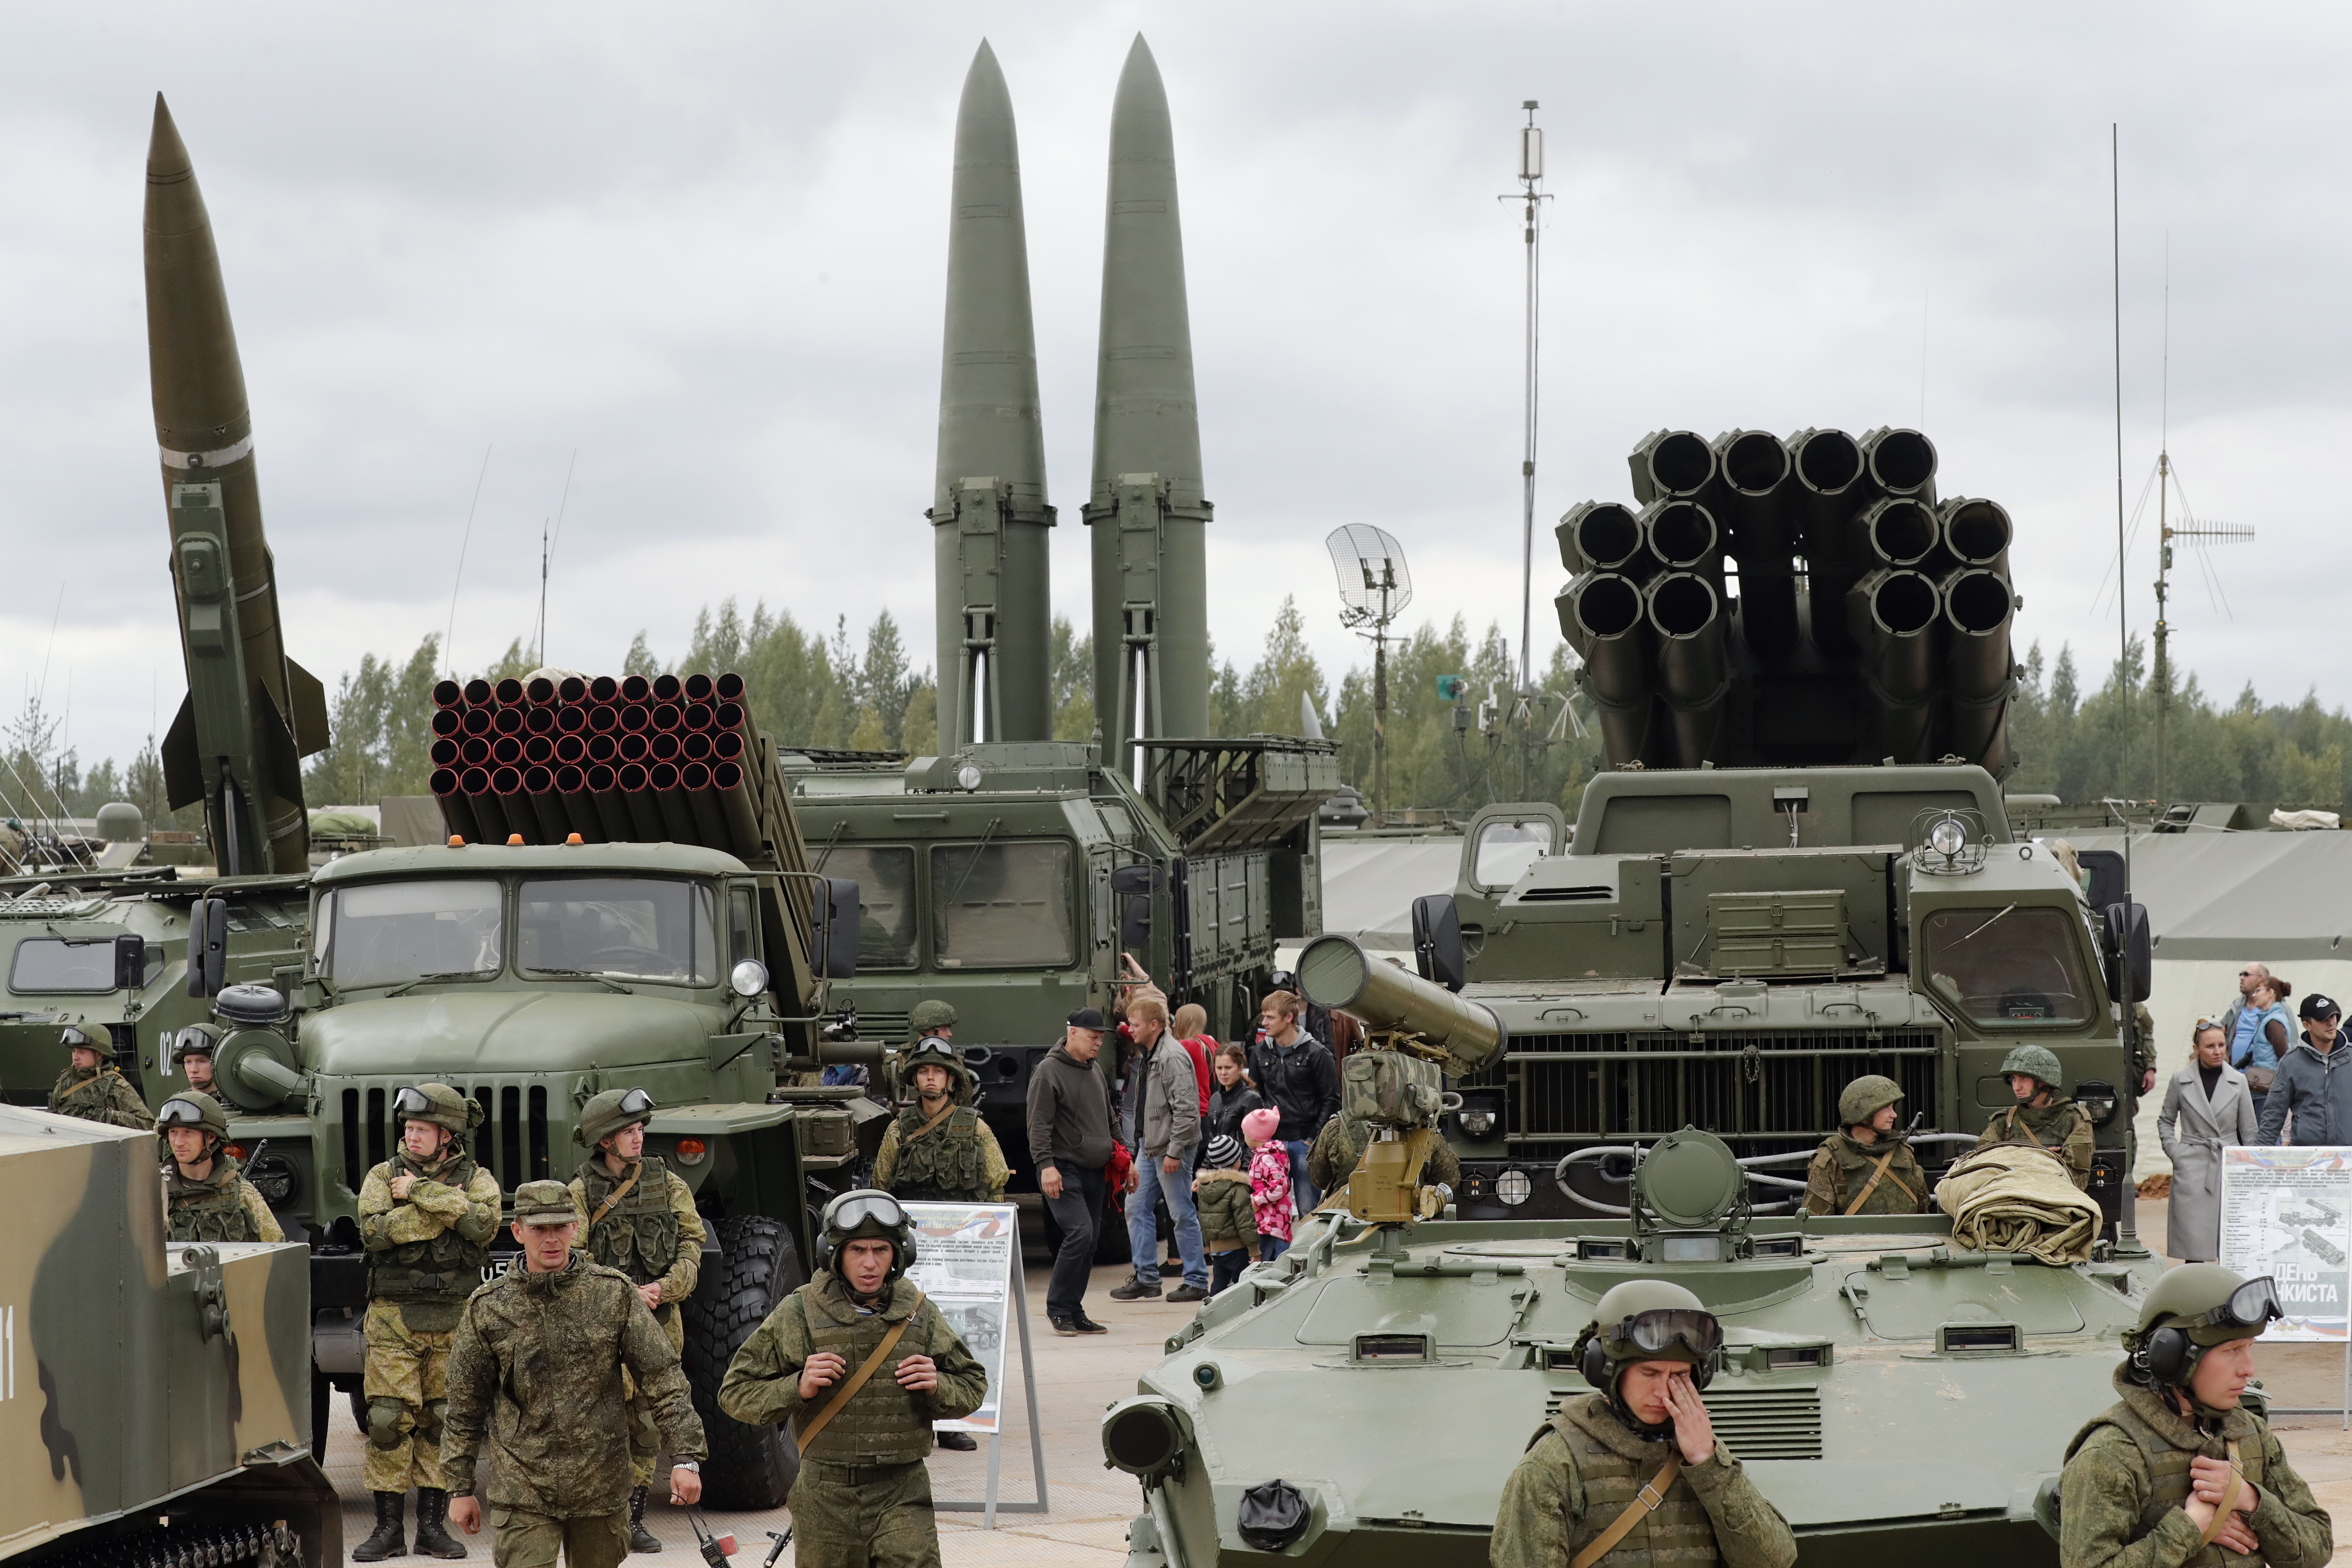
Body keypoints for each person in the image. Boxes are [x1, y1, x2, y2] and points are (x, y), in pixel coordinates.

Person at [441, 1180, 707, 1568]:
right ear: (518, 1232)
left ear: (575, 1229)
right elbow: (464, 1403)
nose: (551, 1239)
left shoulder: (612, 1294)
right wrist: (460, 1487)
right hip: (523, 1488)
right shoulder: (489, 1307)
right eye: (539, 1229)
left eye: (560, 1227)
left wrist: (686, 1459)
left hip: (600, 1486)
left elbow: (663, 1378)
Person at [717, 1190, 988, 1568]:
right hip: (825, 1496)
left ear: (900, 1255)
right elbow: (735, 1393)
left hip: (902, 1490)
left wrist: (939, 1385)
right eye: (857, 1250)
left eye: (881, 1250)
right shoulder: (799, 1313)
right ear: (835, 1255)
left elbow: (973, 1384)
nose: (870, 1263)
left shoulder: (918, 1314)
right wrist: (797, 1387)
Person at [1491, 1280, 1798, 1568]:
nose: (1664, 1392)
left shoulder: (1699, 1453)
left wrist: (1709, 1464)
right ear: (1606, 1370)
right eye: (1649, 1374)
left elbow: (1774, 1561)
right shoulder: (1554, 1464)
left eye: (1679, 1376)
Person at [2059, 1264, 2333, 1567]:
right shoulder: (2112, 1454)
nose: (2248, 1369)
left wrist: (2252, 1501)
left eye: (2249, 1348)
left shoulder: (2250, 1433)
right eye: (2232, 1351)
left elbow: (2318, 1547)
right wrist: (2189, 1529)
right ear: (2173, 1357)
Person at [354, 1083, 502, 1562]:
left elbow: (483, 1226)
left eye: (422, 1129)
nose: (412, 1137)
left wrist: (418, 1193)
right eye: (409, 1128)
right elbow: (375, 1233)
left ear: (447, 1135)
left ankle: (433, 1529)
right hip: (393, 1317)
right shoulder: (381, 1175)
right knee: (387, 1420)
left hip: (455, 1320)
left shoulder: (478, 1178)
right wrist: (446, 1209)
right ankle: (388, 1529)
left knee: (444, 1422)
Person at [564, 1087, 710, 1550]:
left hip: (660, 1318)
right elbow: (572, 1255)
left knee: (646, 1422)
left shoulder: (668, 1183)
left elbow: (692, 1244)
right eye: (628, 1131)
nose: (639, 1138)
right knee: (601, 1422)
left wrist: (666, 1288)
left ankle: (635, 1517)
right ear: (604, 1140)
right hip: (602, 1323)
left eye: (641, 1129)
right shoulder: (581, 1191)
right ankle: (602, 1514)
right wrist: (621, 1296)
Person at [1026, 1008, 1120, 1335]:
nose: (1098, 1044)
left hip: (1095, 1170)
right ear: (1073, 1033)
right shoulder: (1048, 1072)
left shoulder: (1093, 1070)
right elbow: (1038, 1126)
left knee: (1091, 1241)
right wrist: (1046, 1166)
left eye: (1101, 1038)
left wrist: (1124, 1156)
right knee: (1079, 1233)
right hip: (1064, 1169)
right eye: (1094, 1037)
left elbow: (1110, 1118)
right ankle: (1058, 1308)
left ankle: (1074, 1309)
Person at [1110, 995, 1209, 1304]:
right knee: (1136, 1207)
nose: (1130, 1030)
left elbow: (1188, 1111)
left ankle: (1196, 1280)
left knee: (1181, 1212)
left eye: (1136, 1025)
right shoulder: (1152, 1051)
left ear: (1154, 1026)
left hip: (1168, 1148)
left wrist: (1175, 1152)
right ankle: (1147, 1278)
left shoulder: (1171, 1057)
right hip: (1150, 1145)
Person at [2158, 1023, 2258, 1261]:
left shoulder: (2238, 1081)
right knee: (2193, 1243)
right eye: (2210, 1046)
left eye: (2222, 1045)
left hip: (2228, 1166)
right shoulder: (2180, 1080)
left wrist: (2249, 1169)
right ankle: (2195, 1293)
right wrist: (2176, 1153)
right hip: (2192, 1166)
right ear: (2197, 1049)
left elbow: (2250, 1131)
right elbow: (2166, 1121)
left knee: (2232, 1240)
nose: (2217, 1051)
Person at [874, 1035, 1011, 1203]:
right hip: (913, 1226)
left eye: (938, 1071)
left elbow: (996, 1185)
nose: (930, 1077)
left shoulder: (976, 1128)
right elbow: (881, 1186)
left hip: (965, 1226)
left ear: (951, 1079)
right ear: (915, 1080)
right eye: (924, 1071)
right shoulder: (898, 1129)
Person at [1247, 990, 1339, 1216]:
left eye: (1270, 1017)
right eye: (1264, 1016)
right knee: (1271, 1215)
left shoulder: (1317, 1054)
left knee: (1309, 1213)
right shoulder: (1260, 1052)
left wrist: (1311, 1139)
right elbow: (1255, 1095)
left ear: (1289, 1018)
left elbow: (1332, 1100)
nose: (1264, 1023)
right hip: (1271, 1144)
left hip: (1304, 1143)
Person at [156, 1093, 283, 1242]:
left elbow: (276, 1248)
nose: (178, 1142)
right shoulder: (155, 1193)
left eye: (188, 1133)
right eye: (173, 1133)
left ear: (211, 1137)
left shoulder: (243, 1194)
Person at [1801, 1075, 1931, 1217]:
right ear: (1864, 1113)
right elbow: (1817, 1226)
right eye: (1886, 1108)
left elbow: (1922, 1213)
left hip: (1907, 1239)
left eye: (1893, 1107)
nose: (1894, 1115)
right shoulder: (1829, 1159)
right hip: (1853, 1240)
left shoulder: (1904, 1153)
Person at [1973, 1044, 2094, 1190]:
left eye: (2023, 1079)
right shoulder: (2004, 1121)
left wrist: (2012, 1161)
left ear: (2044, 1081)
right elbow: (1981, 1168)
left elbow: (2077, 1178)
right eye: (2013, 1079)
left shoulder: (2074, 1119)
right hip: (2009, 1200)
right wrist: (2042, 1158)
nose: (2016, 1087)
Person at [1306, 1110, 1463, 1203]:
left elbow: (1319, 1180)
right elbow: (1450, 1179)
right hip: (1409, 1229)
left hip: (1346, 1227)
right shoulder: (1425, 1130)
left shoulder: (1336, 1128)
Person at [2259, 993, 2352, 1148]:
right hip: (2307, 1160)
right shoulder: (2291, 1063)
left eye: (2334, 1016)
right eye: (2323, 1019)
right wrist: (2258, 1159)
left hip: (2348, 1159)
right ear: (2306, 1025)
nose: (2331, 1023)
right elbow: (2272, 1118)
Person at [47, 1025, 154, 1129]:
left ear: (99, 1055)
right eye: (74, 1051)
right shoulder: (67, 1079)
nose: (75, 1057)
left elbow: (147, 1124)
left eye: (82, 1052)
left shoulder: (115, 1086)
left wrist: (108, 1117)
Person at [2221, 965, 2294, 1117]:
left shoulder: (2274, 1021)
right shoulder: (2250, 1012)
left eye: (2259, 991)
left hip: (2266, 1087)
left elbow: (2286, 1057)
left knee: (2266, 1134)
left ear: (2270, 993)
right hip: (2252, 1085)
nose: (2255, 996)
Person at [1193, 1134, 1258, 1295]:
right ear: (1237, 1161)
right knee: (1242, 1288)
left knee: (1218, 1288)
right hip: (1237, 1249)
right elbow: (1245, 1223)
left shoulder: (1205, 1187)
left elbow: (1205, 1220)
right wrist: (1255, 1250)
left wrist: (1210, 1244)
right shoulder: (1238, 1188)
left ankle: (1211, 1313)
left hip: (1216, 1248)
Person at [1244, 1107, 1293, 1262]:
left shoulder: (1266, 1158)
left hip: (1272, 1222)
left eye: (1246, 1134)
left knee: (1268, 1262)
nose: (1244, 1137)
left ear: (1254, 1135)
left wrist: (1258, 1200)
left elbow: (1281, 1185)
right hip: (1267, 1220)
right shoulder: (1263, 1155)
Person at [1205, 1041, 1267, 1148]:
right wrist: (1206, 1165)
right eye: (1219, 1068)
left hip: (1241, 1162)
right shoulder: (1215, 1099)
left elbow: (1255, 1144)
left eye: (1228, 1068)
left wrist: (1242, 1166)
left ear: (1240, 1068)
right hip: (1218, 1162)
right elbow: (1212, 1140)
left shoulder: (1252, 1100)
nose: (1223, 1073)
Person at [174, 1022, 228, 1105]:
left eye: (201, 1062)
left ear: (218, 1063)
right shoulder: (177, 1103)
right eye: (188, 1062)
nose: (193, 1070)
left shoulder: (233, 1104)